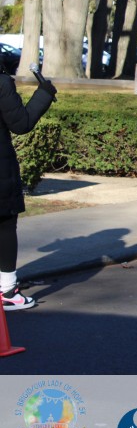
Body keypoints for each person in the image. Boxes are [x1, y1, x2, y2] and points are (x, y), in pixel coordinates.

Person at [0, 65, 56, 310]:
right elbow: (21, 123)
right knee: (4, 224)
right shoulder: (1, 83)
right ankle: (7, 290)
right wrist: (44, 93)